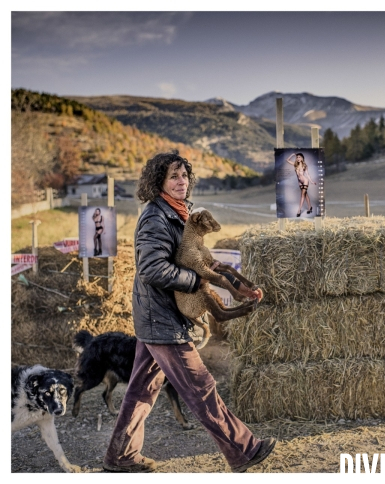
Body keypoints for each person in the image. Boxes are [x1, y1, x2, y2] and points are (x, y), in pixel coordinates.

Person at [102, 150, 276, 473]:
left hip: (159, 318)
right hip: (163, 319)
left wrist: (237, 286)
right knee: (202, 388)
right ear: (159, 183)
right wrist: (195, 280)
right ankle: (244, 450)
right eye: (173, 176)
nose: (181, 181)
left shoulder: (180, 214)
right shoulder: (156, 218)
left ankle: (120, 456)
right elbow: (152, 269)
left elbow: (197, 259)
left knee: (141, 389)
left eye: (184, 176)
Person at [286, 152, 316, 217]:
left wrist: (311, 181)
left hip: (305, 181)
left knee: (302, 195)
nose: (298, 158)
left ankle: (299, 210)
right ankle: (310, 207)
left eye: (299, 157)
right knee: (305, 195)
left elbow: (308, 174)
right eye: (297, 157)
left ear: (302, 158)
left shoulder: (304, 166)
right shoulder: (295, 165)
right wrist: (293, 155)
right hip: (299, 182)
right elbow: (287, 160)